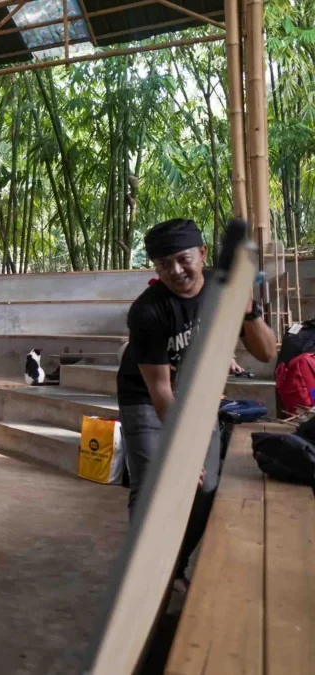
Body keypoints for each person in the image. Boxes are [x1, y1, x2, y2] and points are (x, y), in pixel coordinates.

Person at [117, 218, 276, 591]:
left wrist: (248, 309)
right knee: (153, 481)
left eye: (182, 258)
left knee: (204, 488)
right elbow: (160, 390)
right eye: (163, 264)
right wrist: (182, 454)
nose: (175, 270)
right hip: (145, 396)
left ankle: (173, 567)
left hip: (196, 395)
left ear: (202, 253)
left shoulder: (222, 293)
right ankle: (141, 570)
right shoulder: (148, 311)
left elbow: (267, 352)